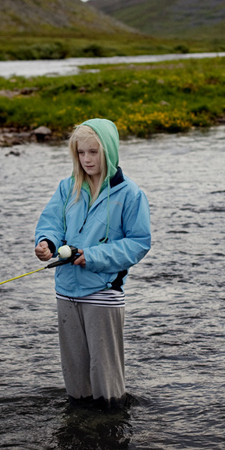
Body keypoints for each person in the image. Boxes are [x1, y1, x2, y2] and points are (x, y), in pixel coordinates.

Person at [35, 118, 151, 408]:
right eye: (81, 153)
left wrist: (92, 257)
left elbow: (139, 243)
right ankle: (80, 425)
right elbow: (51, 222)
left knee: (105, 377)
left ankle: (111, 428)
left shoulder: (130, 194)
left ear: (109, 151)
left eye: (93, 152)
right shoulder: (67, 187)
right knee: (75, 377)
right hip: (65, 292)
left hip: (103, 294)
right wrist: (46, 243)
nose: (86, 159)